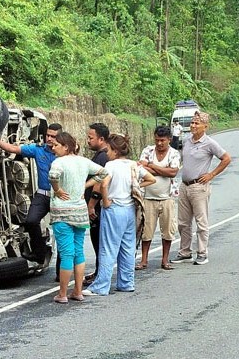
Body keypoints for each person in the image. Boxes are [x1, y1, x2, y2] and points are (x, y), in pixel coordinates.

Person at [83, 134, 156, 296]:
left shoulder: (111, 165)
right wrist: (136, 186)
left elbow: (103, 183)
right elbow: (151, 179)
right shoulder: (133, 165)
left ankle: (101, 286)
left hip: (114, 208)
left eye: (108, 149)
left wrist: (106, 200)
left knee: (108, 248)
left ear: (115, 151)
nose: (106, 153)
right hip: (130, 209)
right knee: (128, 247)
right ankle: (126, 282)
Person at [48, 132, 108, 303]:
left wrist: (58, 189)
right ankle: (78, 291)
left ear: (66, 146)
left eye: (56, 145)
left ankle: (62, 294)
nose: (53, 148)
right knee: (78, 252)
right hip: (80, 213)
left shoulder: (59, 162)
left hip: (62, 213)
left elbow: (53, 176)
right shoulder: (84, 161)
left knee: (66, 254)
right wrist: (85, 185)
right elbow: (103, 173)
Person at [0, 123, 62, 269]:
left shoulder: (65, 154)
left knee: (62, 230)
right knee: (30, 221)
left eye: (53, 136)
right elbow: (12, 149)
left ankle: (61, 269)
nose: (49, 138)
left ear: (60, 137)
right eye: (48, 135)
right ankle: (39, 254)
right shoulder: (37, 150)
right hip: (43, 195)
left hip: (60, 197)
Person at [170, 112, 231, 265]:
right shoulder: (186, 141)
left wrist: (212, 174)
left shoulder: (209, 143)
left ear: (205, 126)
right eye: (192, 123)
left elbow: (226, 158)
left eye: (197, 123)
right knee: (183, 222)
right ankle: (185, 252)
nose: (193, 126)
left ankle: (202, 252)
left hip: (199, 186)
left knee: (201, 221)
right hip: (185, 185)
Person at [136, 126, 181, 270]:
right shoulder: (148, 150)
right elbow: (141, 170)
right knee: (146, 230)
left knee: (168, 230)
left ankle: (165, 259)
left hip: (167, 197)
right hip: (148, 197)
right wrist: (162, 170)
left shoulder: (174, 153)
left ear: (169, 139)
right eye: (157, 140)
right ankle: (144, 260)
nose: (159, 143)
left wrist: (151, 165)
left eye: (162, 140)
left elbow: (173, 172)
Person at [82, 123, 110, 286]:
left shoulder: (102, 157)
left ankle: (100, 274)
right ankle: (99, 271)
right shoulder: (100, 155)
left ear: (101, 138)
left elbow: (99, 183)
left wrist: (91, 205)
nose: (88, 141)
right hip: (96, 207)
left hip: (97, 208)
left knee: (99, 241)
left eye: (91, 138)